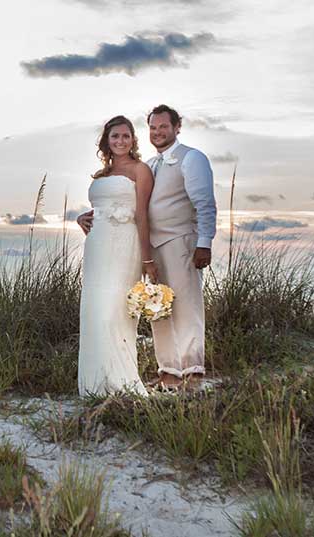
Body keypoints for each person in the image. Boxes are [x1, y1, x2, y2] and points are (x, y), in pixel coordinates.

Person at [78, 104, 216, 390]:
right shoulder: (152, 164)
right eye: (153, 127)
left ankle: (193, 373)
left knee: (187, 306)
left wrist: (204, 243)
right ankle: (169, 373)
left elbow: (204, 203)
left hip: (179, 241)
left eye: (163, 127)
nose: (158, 132)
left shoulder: (192, 159)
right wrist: (89, 216)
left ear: (177, 127)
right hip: (146, 244)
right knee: (158, 308)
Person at [76, 115, 155, 397]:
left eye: (126, 136)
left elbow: (143, 215)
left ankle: (123, 383)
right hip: (97, 245)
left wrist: (147, 260)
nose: (121, 141)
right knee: (94, 310)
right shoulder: (101, 176)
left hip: (125, 244)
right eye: (115, 136)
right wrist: (80, 219)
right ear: (106, 141)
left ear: (133, 139)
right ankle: (95, 385)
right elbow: (98, 208)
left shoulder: (140, 170)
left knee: (114, 311)